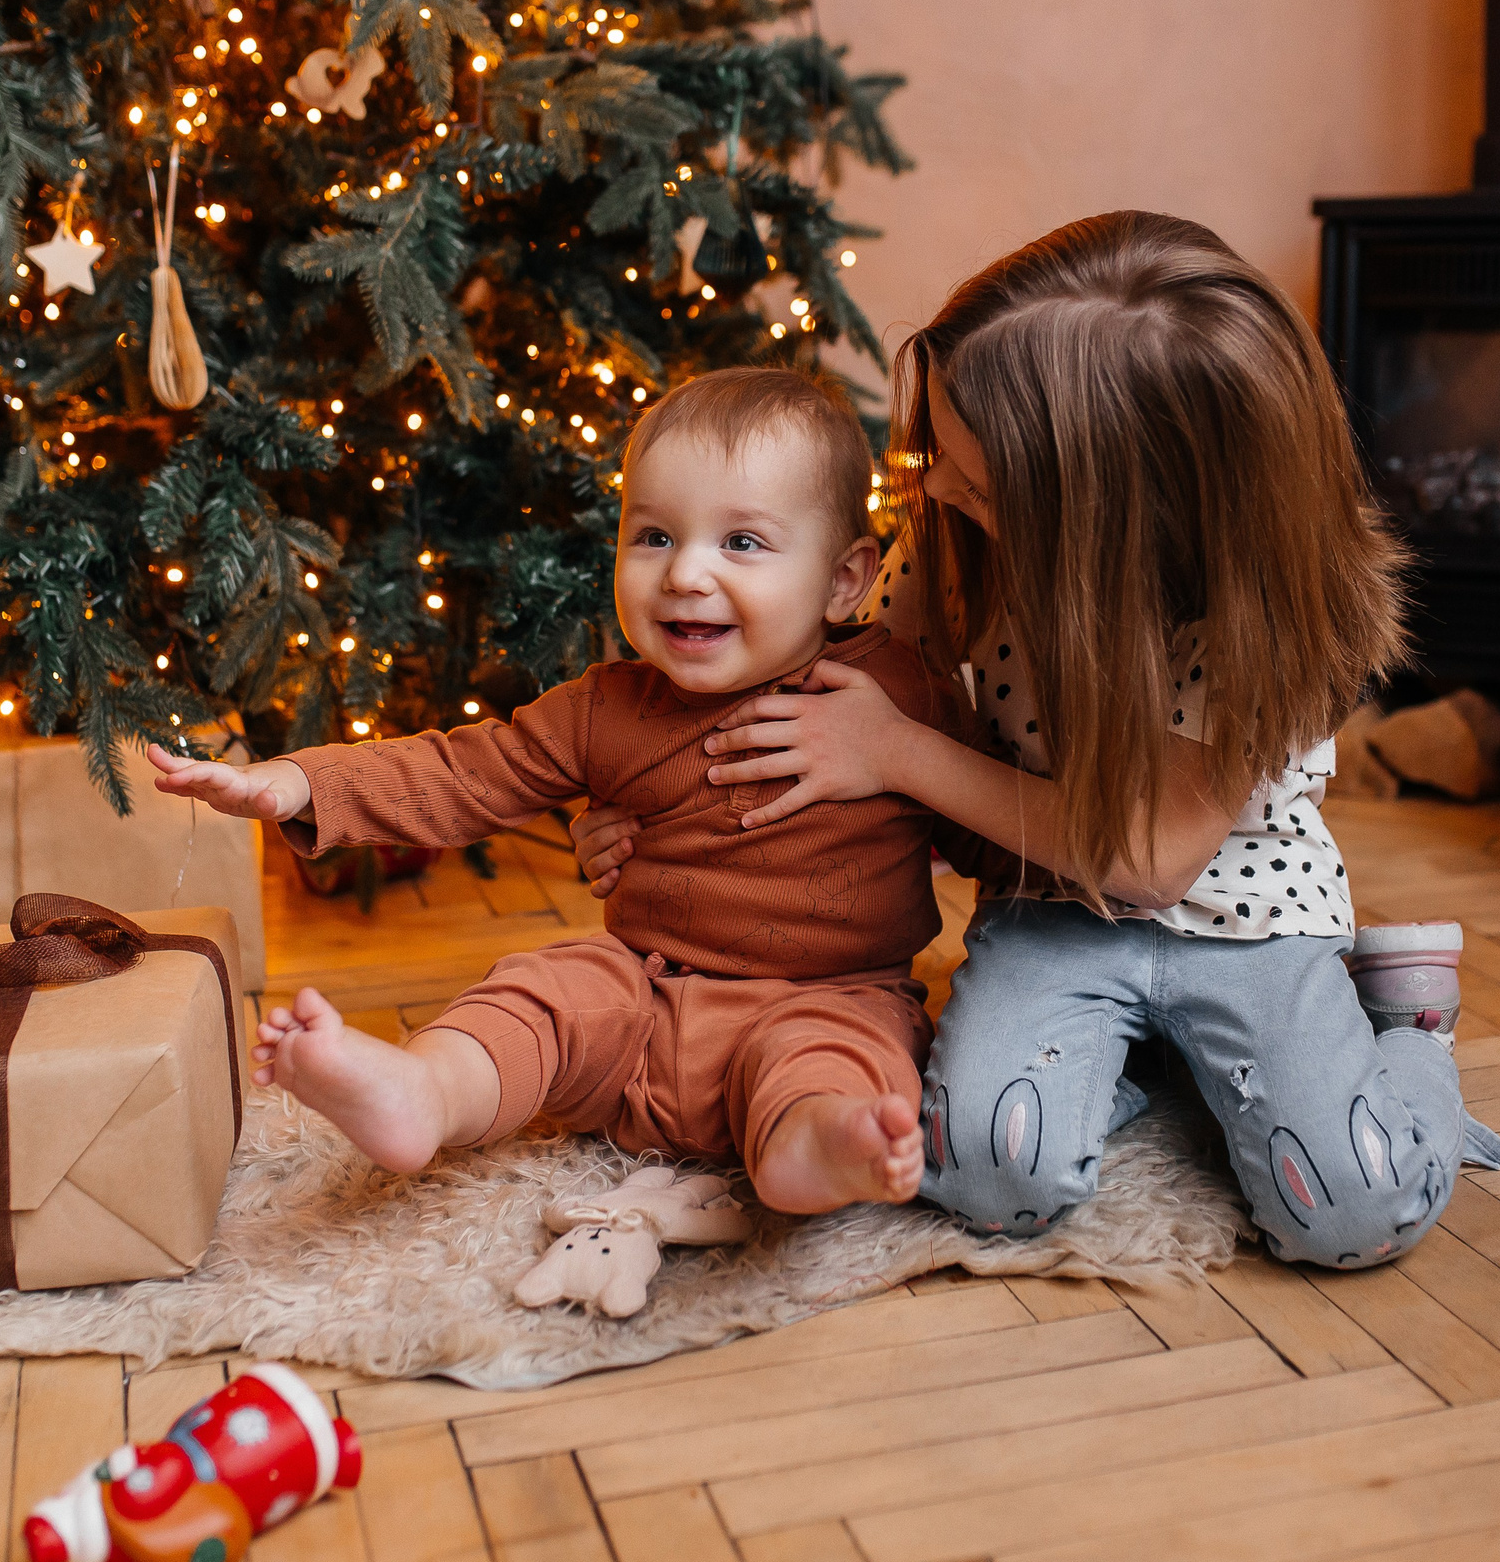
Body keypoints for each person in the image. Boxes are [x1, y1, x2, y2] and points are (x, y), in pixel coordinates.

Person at [574, 212, 1500, 1269]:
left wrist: (897, 753)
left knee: (1347, 1214)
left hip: (1250, 920)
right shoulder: (956, 546)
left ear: (1104, 520)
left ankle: (1406, 1029)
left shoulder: (1275, 614)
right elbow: (809, 694)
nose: (931, 489)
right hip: (1052, 907)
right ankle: (1141, 1065)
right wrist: (651, 802)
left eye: (972, 482)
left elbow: (1146, 860)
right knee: (982, 1175)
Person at [146, 367, 986, 1216]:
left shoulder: (895, 696)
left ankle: (818, 1143)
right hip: (640, 996)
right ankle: (427, 1090)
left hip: (823, 998)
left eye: (742, 543)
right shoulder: (607, 707)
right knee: (542, 993)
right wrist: (300, 780)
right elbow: (464, 771)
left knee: (845, 1051)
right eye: (654, 536)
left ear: (845, 579)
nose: (686, 574)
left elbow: (995, 832)